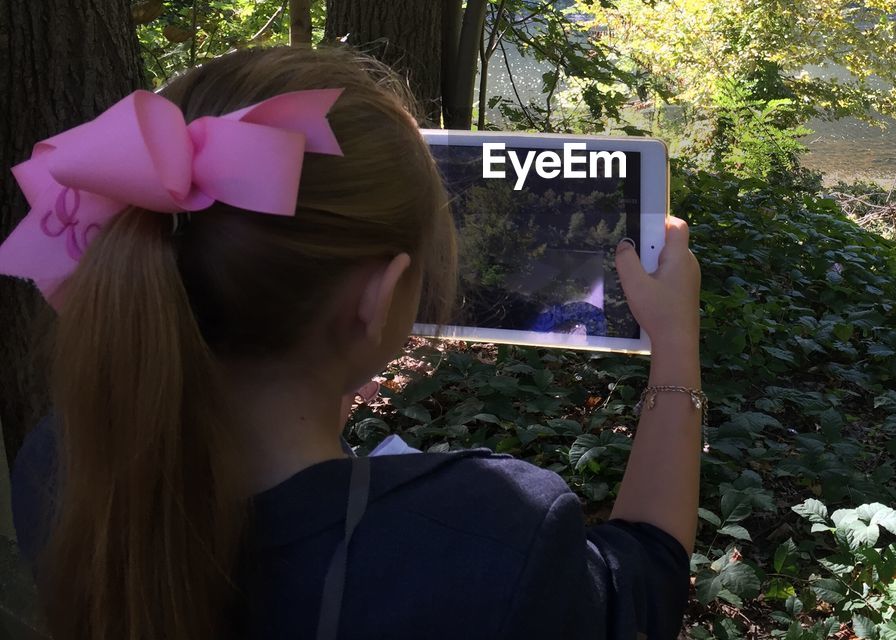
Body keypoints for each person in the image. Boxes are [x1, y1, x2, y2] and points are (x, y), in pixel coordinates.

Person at [3, 45, 703, 640]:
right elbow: (643, 579)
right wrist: (675, 343)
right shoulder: (486, 542)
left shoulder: (63, 461)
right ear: (376, 300)